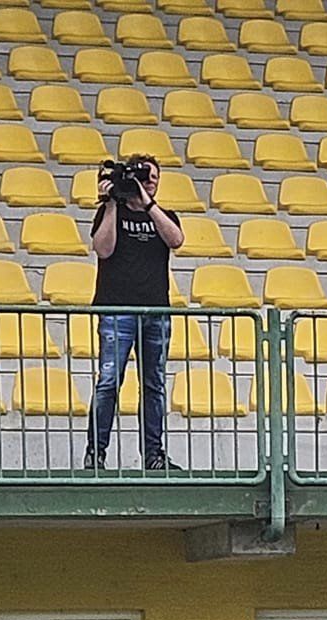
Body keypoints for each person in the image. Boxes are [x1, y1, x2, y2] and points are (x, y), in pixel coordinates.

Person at [86, 154, 184, 473]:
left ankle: (154, 455)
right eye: (143, 176)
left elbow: (177, 240)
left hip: (155, 312)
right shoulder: (108, 212)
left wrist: (148, 204)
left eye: (153, 176)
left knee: (154, 384)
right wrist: (114, 201)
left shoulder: (164, 215)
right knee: (109, 382)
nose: (149, 180)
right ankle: (96, 454)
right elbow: (103, 249)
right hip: (117, 310)